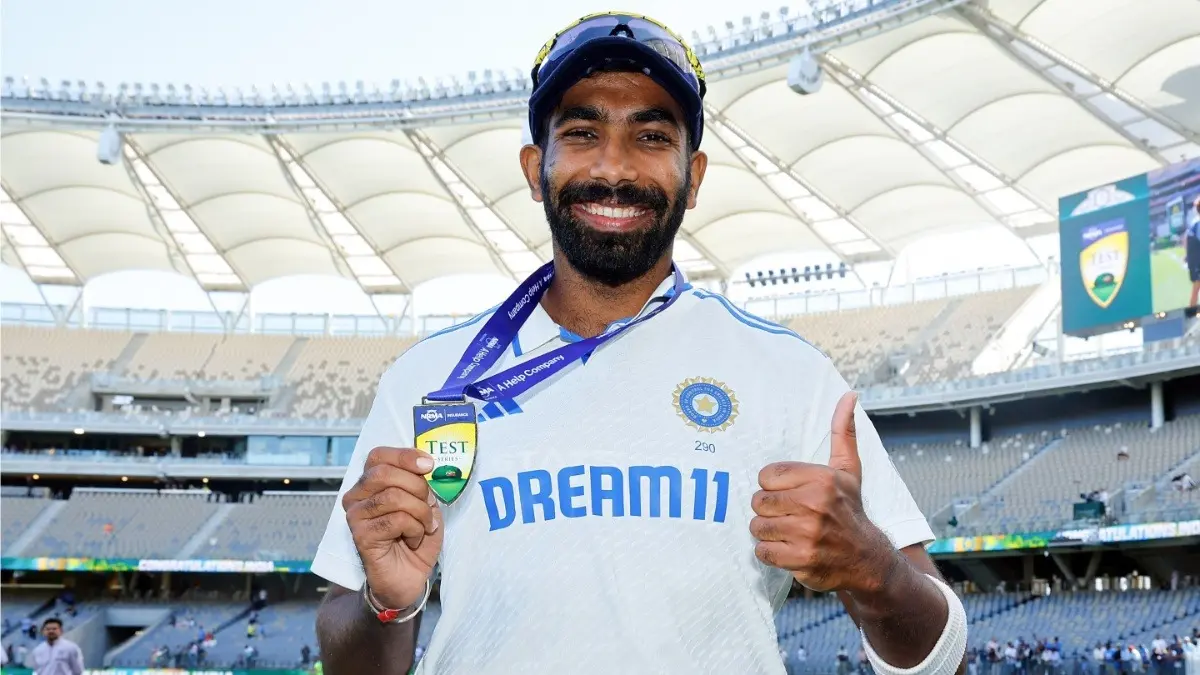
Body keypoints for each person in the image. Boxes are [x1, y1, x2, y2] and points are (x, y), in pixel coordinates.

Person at [312, 11, 966, 675]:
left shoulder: (790, 374)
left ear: (695, 175)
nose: (615, 167)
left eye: (652, 136)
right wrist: (385, 602)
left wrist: (876, 572)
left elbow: (947, 661)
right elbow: (349, 655)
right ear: (536, 169)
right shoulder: (431, 378)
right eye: (583, 132)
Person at [1187, 197, 1200, 309]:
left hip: (1194, 262)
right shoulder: (1198, 223)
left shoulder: (1194, 221)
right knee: (1196, 288)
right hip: (1197, 262)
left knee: (1196, 289)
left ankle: (1191, 312)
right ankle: (1191, 312)